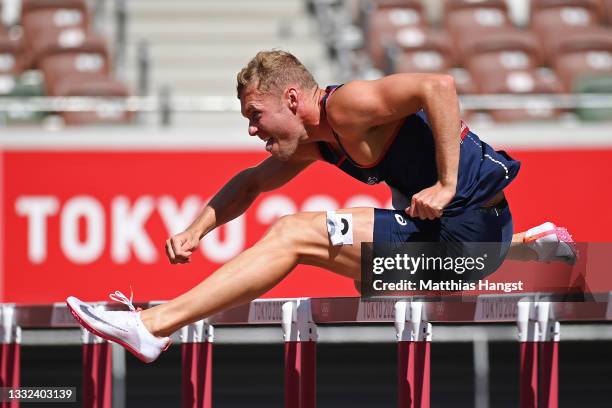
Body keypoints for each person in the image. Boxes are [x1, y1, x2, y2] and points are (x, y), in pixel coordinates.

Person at [66, 50, 576, 363]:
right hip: (471, 238)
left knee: (293, 232)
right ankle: (532, 248)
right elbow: (249, 183)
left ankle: (153, 327)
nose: (252, 130)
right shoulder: (319, 142)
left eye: (255, 114)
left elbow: (437, 86)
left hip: (466, 227)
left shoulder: (348, 106)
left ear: (291, 99)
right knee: (364, 275)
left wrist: (444, 183)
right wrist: (197, 229)